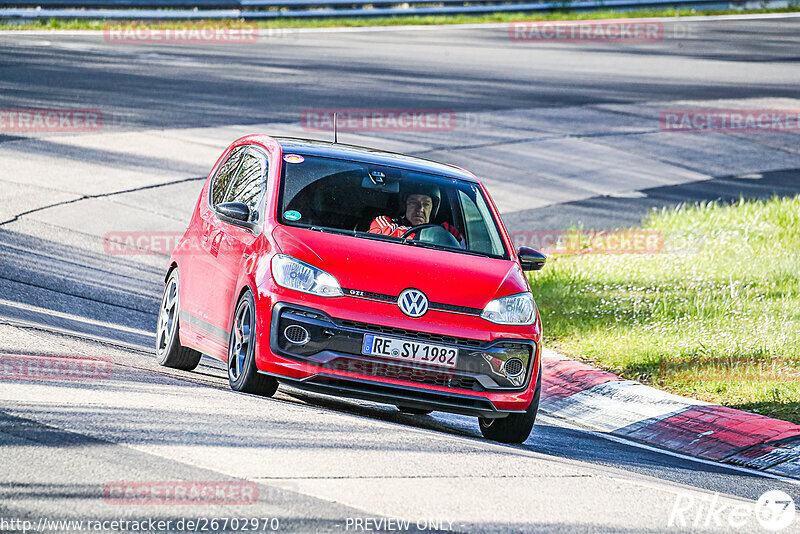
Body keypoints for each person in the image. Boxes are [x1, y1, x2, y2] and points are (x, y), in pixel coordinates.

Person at [368, 183, 463, 243]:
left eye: (426, 204)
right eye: (414, 202)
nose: (420, 209)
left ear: (432, 209)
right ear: (405, 205)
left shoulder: (445, 230)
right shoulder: (384, 222)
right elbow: (381, 236)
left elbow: (462, 248)